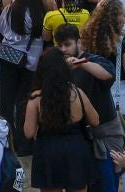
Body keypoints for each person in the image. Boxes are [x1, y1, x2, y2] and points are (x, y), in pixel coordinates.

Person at [24, 38, 98, 192]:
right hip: (76, 148)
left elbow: (28, 132)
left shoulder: (36, 98)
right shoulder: (77, 92)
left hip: (48, 150)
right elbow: (95, 120)